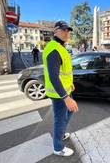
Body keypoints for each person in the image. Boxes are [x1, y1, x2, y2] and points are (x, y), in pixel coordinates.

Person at [42, 21, 78, 157]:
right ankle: (58, 148)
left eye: (68, 30)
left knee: (69, 113)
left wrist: (70, 84)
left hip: (65, 89)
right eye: (63, 30)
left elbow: (64, 71)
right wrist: (66, 98)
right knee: (60, 120)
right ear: (55, 31)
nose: (66, 32)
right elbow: (54, 77)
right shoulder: (53, 49)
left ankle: (61, 134)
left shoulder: (60, 47)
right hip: (59, 94)